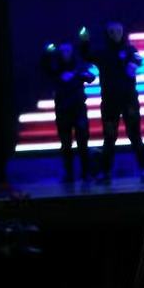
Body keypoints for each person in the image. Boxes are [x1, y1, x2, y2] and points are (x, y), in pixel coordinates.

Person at [80, 22, 144, 183]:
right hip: (109, 102)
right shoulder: (102, 53)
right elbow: (86, 56)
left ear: (123, 32)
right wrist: (84, 42)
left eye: (118, 31)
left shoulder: (130, 50)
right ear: (107, 34)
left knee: (135, 136)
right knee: (109, 138)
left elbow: (139, 59)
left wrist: (134, 64)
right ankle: (106, 173)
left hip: (129, 101)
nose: (115, 34)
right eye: (112, 31)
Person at [44, 40, 95, 183]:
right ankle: (69, 174)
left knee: (82, 143)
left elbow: (91, 77)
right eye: (63, 51)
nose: (65, 53)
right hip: (63, 111)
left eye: (68, 51)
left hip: (78, 110)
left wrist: (81, 74)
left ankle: (85, 173)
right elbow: (45, 68)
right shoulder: (55, 68)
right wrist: (47, 54)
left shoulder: (79, 67)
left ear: (72, 52)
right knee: (66, 144)